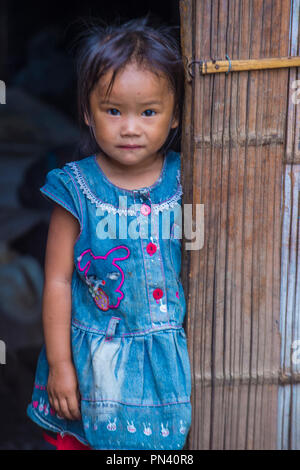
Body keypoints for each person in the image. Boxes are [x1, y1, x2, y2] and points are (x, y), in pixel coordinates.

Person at [27, 15, 192, 451]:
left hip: (167, 362)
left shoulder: (188, 179)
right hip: (95, 362)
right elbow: (59, 280)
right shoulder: (76, 190)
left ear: (175, 116)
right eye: (113, 110)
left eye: (149, 111)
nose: (131, 127)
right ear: (87, 111)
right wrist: (62, 365)